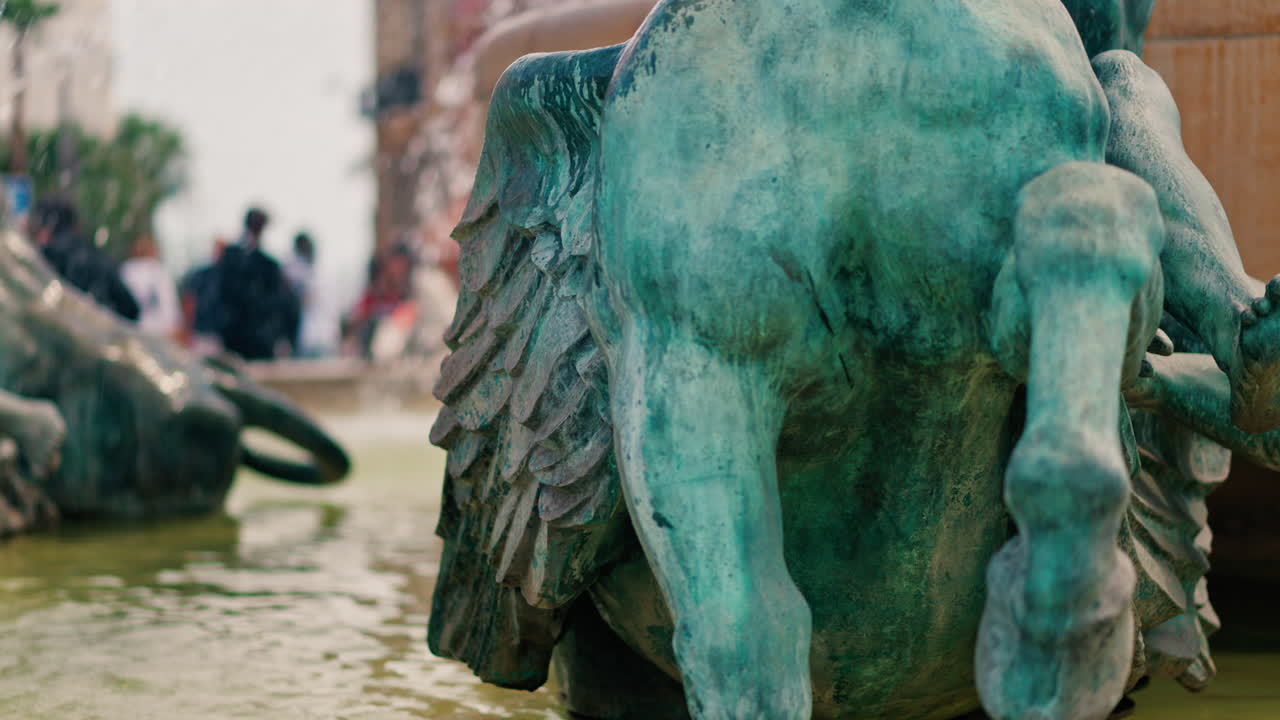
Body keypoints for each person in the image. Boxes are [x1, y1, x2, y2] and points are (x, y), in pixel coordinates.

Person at [32, 196, 140, 321]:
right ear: (75, 223)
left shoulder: (46, 257)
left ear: (47, 226)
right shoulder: (100, 258)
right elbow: (132, 309)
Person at [213, 207, 299, 361]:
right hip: (236, 335)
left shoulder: (268, 264)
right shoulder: (233, 256)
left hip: (259, 338)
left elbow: (275, 302)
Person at [120, 231, 181, 338]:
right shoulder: (159, 270)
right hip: (159, 331)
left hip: (131, 328)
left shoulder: (126, 269)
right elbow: (169, 305)